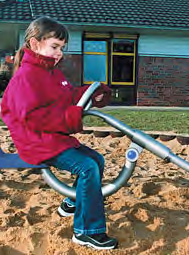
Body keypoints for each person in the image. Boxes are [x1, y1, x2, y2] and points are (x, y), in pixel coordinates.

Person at [1, 16, 118, 250]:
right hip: (36, 142)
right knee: (87, 167)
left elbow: (67, 98)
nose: (59, 53)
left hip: (52, 138)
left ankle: (72, 201)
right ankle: (86, 231)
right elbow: (34, 118)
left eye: (61, 48)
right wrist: (70, 118)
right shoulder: (26, 77)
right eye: (54, 46)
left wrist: (91, 93)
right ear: (35, 44)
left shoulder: (51, 72)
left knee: (97, 159)